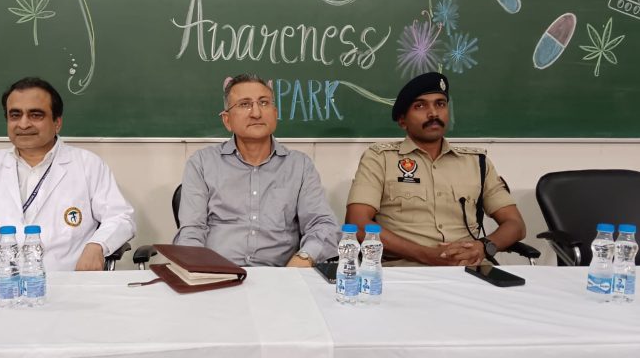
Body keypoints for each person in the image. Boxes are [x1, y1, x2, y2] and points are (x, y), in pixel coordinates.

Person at [0, 77, 135, 271]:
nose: (23, 124)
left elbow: (121, 217)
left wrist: (97, 245)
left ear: (57, 122)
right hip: (0, 282)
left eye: (36, 115)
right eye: (15, 115)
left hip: (69, 281)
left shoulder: (88, 165)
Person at [345, 72, 526, 266]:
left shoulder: (477, 162)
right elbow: (357, 224)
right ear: (402, 121)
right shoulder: (380, 159)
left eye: (440, 104)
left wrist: (483, 246)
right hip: (405, 270)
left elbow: (516, 224)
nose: (433, 113)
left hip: (469, 270)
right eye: (420, 106)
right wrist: (427, 255)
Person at [174, 73, 339, 267]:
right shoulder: (202, 163)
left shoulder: (300, 166)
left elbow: (323, 225)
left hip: (280, 275)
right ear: (227, 120)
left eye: (264, 103)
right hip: (217, 273)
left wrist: (304, 258)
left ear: (275, 113)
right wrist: (197, 270)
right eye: (245, 104)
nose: (256, 113)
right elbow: (191, 231)